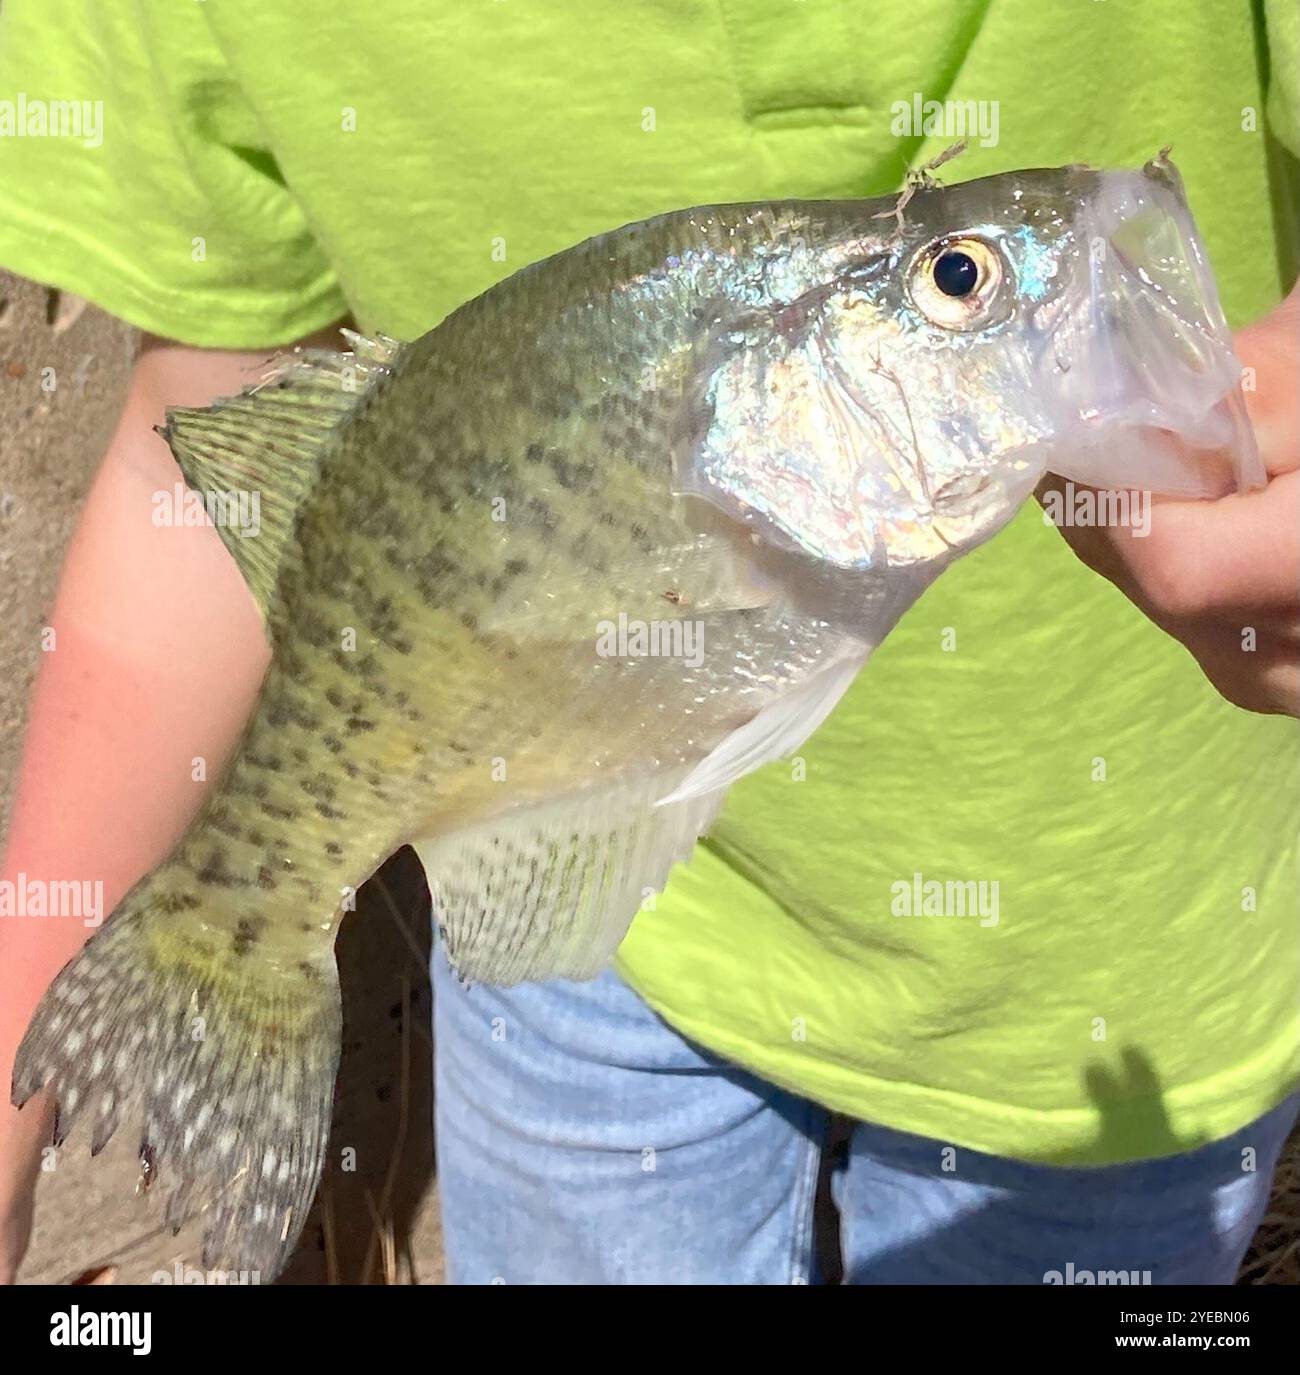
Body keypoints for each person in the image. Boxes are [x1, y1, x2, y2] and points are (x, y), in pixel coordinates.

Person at [1, 0, 1296, 1284]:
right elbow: (205, 448)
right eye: (957, 279)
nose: (1014, 281)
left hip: (1133, 980)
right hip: (604, 962)